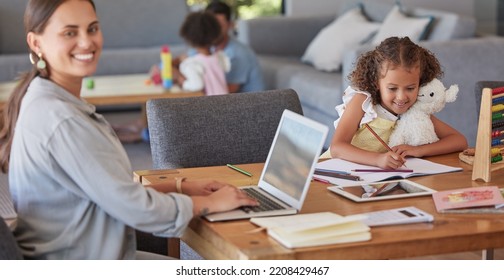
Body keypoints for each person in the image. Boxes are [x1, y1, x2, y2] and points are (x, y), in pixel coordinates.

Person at [0, 0, 257, 260]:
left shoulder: (44, 98)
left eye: (92, 29)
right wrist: (212, 203)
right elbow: (137, 209)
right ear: (36, 43)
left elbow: (111, 190)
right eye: (69, 32)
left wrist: (181, 186)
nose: (87, 42)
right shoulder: (63, 119)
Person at [326, 36, 467, 169]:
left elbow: (459, 141)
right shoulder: (363, 101)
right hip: (337, 171)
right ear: (376, 83)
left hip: (376, 180)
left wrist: (419, 150)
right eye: (392, 88)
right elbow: (337, 147)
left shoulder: (415, 110)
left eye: (410, 88)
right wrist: (377, 160)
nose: (401, 97)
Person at [173, 11, 230, 95]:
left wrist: (182, 82)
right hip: (227, 102)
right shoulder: (220, 57)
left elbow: (197, 85)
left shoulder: (192, 63)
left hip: (211, 106)